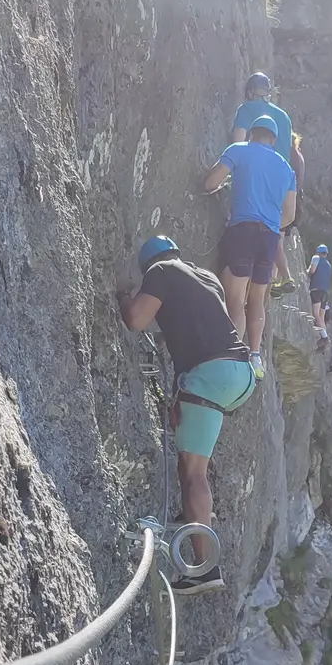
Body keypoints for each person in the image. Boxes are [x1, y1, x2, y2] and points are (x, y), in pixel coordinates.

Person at [116, 236, 257, 594]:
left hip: (209, 375)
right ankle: (193, 516)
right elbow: (204, 322)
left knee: (194, 473)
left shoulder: (162, 271)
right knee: (192, 465)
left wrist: (121, 294)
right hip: (239, 373)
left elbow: (136, 319)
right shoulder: (206, 277)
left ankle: (204, 568)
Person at [202, 116, 296, 381]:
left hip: (242, 230)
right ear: (274, 140)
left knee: (235, 298)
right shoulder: (286, 168)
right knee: (256, 300)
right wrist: (269, 219)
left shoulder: (239, 150)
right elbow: (289, 214)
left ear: (252, 132)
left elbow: (210, 182)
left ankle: (231, 356)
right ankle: (254, 356)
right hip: (268, 237)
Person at [270, 132, 306, 296]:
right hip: (295, 203)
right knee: (279, 242)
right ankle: (275, 281)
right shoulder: (300, 157)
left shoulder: (289, 156)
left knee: (276, 242)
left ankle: (284, 277)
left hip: (285, 201)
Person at [231, 72, 293, 164]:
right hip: (283, 173)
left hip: (257, 171)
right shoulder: (284, 116)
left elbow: (237, 145)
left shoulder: (246, 109)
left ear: (249, 92)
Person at [308, 244, 332, 338]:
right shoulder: (329, 265)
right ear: (326, 254)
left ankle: (325, 337)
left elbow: (312, 271)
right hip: (325, 292)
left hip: (316, 289)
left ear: (318, 252)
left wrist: (307, 271)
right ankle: (323, 336)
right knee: (321, 316)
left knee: (316, 314)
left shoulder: (316, 258)